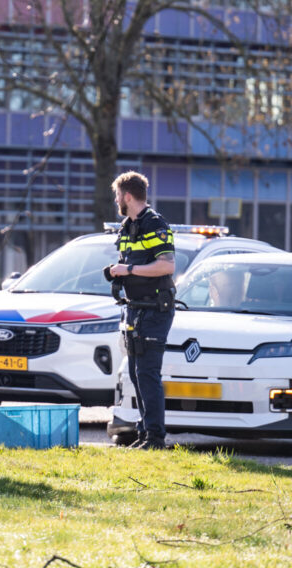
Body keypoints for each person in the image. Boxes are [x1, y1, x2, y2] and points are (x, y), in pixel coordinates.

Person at [104, 171, 176, 450]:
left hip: (156, 309)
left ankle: (156, 438)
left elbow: (167, 265)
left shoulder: (155, 223)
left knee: (147, 373)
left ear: (127, 196)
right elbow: (130, 263)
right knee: (135, 373)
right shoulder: (127, 226)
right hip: (134, 308)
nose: (116, 200)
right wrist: (117, 273)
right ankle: (146, 433)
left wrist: (130, 269)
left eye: (117, 195)